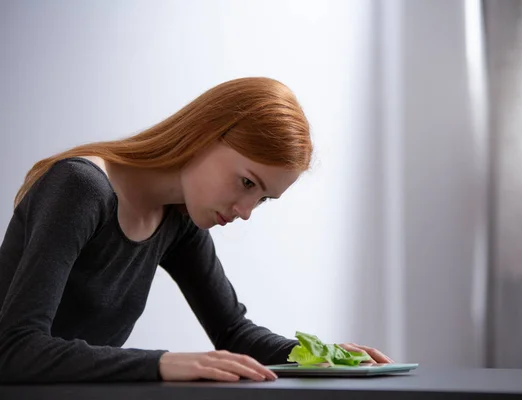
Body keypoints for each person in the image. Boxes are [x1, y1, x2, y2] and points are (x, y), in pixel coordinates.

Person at [0, 77, 393, 383]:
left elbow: (233, 332)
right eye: (247, 183)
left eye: (262, 199)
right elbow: (16, 348)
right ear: (207, 134)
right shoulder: (80, 188)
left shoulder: (178, 220)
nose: (245, 211)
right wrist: (163, 363)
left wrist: (324, 355)